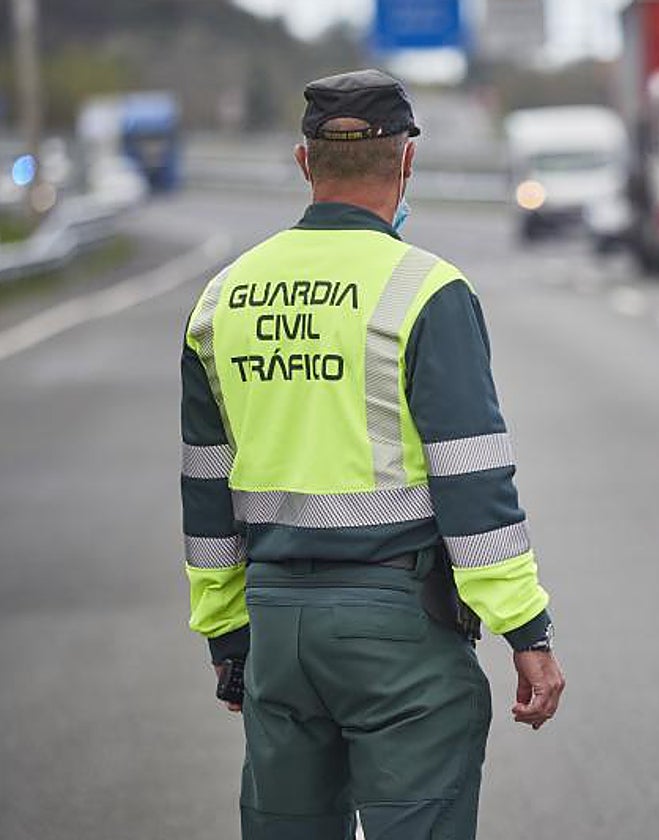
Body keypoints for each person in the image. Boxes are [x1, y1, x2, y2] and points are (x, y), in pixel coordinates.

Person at [179, 68, 564, 840]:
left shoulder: (223, 299)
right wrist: (528, 633)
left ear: (303, 162)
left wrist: (228, 638)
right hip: (399, 634)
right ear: (407, 163)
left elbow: (205, 492)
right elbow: (473, 479)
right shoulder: (425, 290)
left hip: (277, 628)